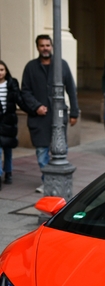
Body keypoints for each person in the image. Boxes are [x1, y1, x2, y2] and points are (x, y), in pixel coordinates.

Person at [21, 34, 79, 193]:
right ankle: (46, 180)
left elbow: (71, 90)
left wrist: (74, 112)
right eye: (42, 45)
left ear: (51, 46)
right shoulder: (30, 67)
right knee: (41, 152)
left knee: (60, 149)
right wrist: (36, 106)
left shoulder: (62, 65)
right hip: (39, 117)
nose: (45, 48)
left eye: (47, 45)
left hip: (58, 116)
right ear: (37, 47)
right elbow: (25, 91)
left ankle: (57, 179)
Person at [0, 60, 25, 190]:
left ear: (6, 71)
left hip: (9, 121)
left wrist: (32, 110)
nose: (0, 73)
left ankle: (8, 172)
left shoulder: (12, 83)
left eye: (2, 70)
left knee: (8, 150)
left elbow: (19, 99)